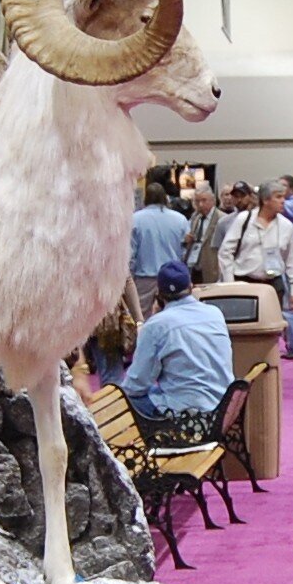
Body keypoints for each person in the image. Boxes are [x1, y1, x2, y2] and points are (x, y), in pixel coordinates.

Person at [118, 261, 231, 448]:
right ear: (191, 287)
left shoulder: (156, 326)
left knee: (127, 399)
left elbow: (136, 385)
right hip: (220, 410)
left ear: (159, 294)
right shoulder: (215, 314)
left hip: (187, 418)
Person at [223, 183, 293, 359]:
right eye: (278, 197)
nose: (283, 201)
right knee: (244, 330)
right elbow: (226, 252)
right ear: (265, 200)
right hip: (244, 282)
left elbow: (292, 261)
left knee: (271, 329)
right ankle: (243, 361)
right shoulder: (244, 220)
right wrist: (229, 283)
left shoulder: (286, 226)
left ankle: (268, 362)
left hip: (273, 284)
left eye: (283, 197)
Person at [128, 181, 190, 315]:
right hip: (173, 276)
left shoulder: (134, 220)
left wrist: (129, 280)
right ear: (165, 198)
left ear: (146, 198)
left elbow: (131, 254)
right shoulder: (180, 220)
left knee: (142, 317)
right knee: (174, 315)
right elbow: (185, 251)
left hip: (145, 279)